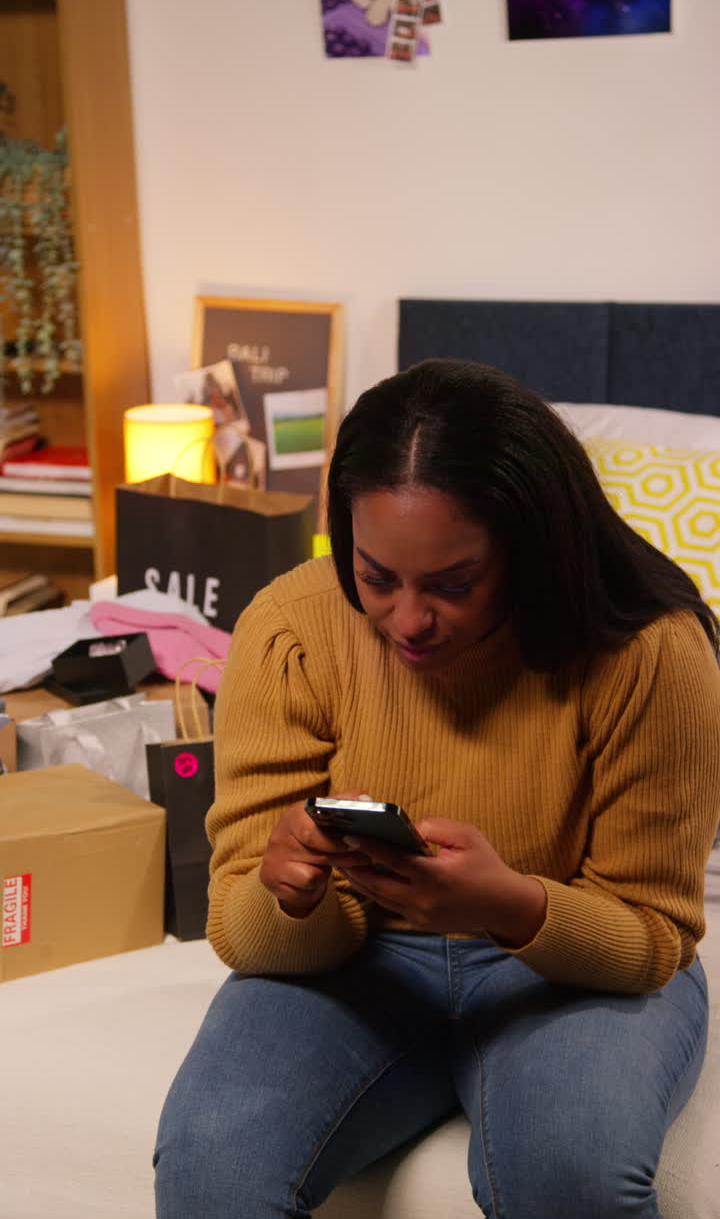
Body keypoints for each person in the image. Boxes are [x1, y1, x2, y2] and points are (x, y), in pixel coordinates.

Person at [154, 359, 720, 1219]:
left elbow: (653, 938)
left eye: (453, 584)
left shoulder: (651, 652)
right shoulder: (291, 629)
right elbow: (242, 931)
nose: (408, 621)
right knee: (211, 1172)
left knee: (570, 1179)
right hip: (358, 962)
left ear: (532, 547)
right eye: (376, 576)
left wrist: (510, 905)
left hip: (574, 973)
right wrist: (290, 895)